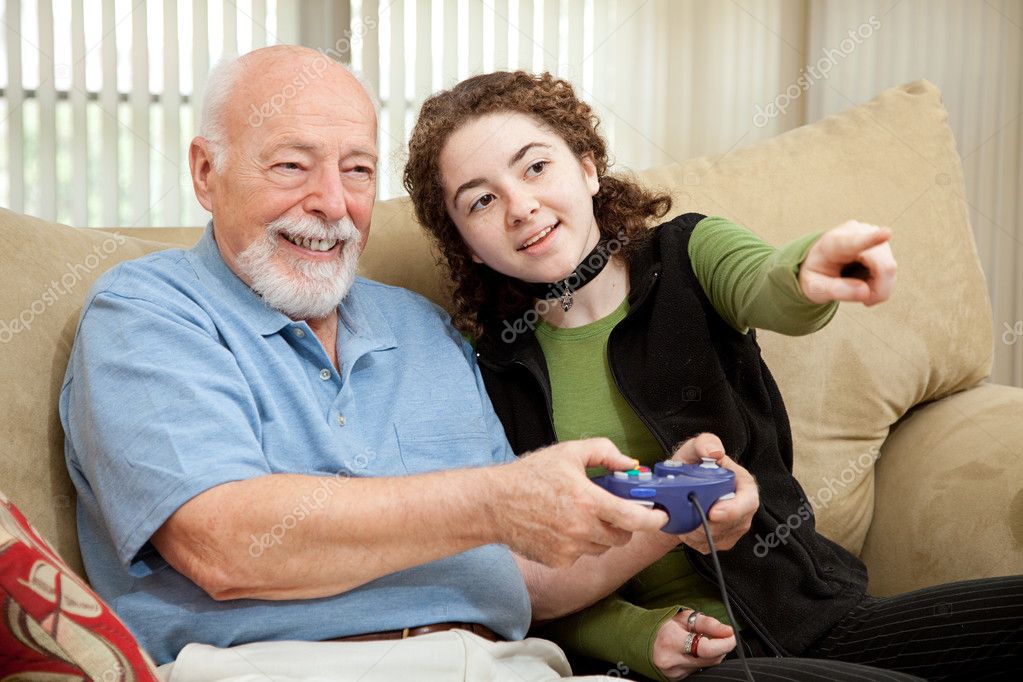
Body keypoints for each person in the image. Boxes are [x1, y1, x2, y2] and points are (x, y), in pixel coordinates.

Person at [58, 46, 758, 681]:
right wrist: (494, 501)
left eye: (356, 170)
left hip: (506, 666)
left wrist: (676, 514)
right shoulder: (146, 311)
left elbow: (528, 577)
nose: (331, 204)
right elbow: (225, 547)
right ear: (207, 172)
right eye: (291, 165)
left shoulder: (421, 329)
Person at [403, 70, 1023, 681]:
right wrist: (637, 637)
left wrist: (810, 270)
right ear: (467, 243)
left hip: (813, 614)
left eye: (535, 167)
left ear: (588, 167)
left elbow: (767, 282)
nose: (521, 206)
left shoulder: (688, 253)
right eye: (481, 200)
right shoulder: (488, 369)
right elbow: (522, 583)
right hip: (695, 662)